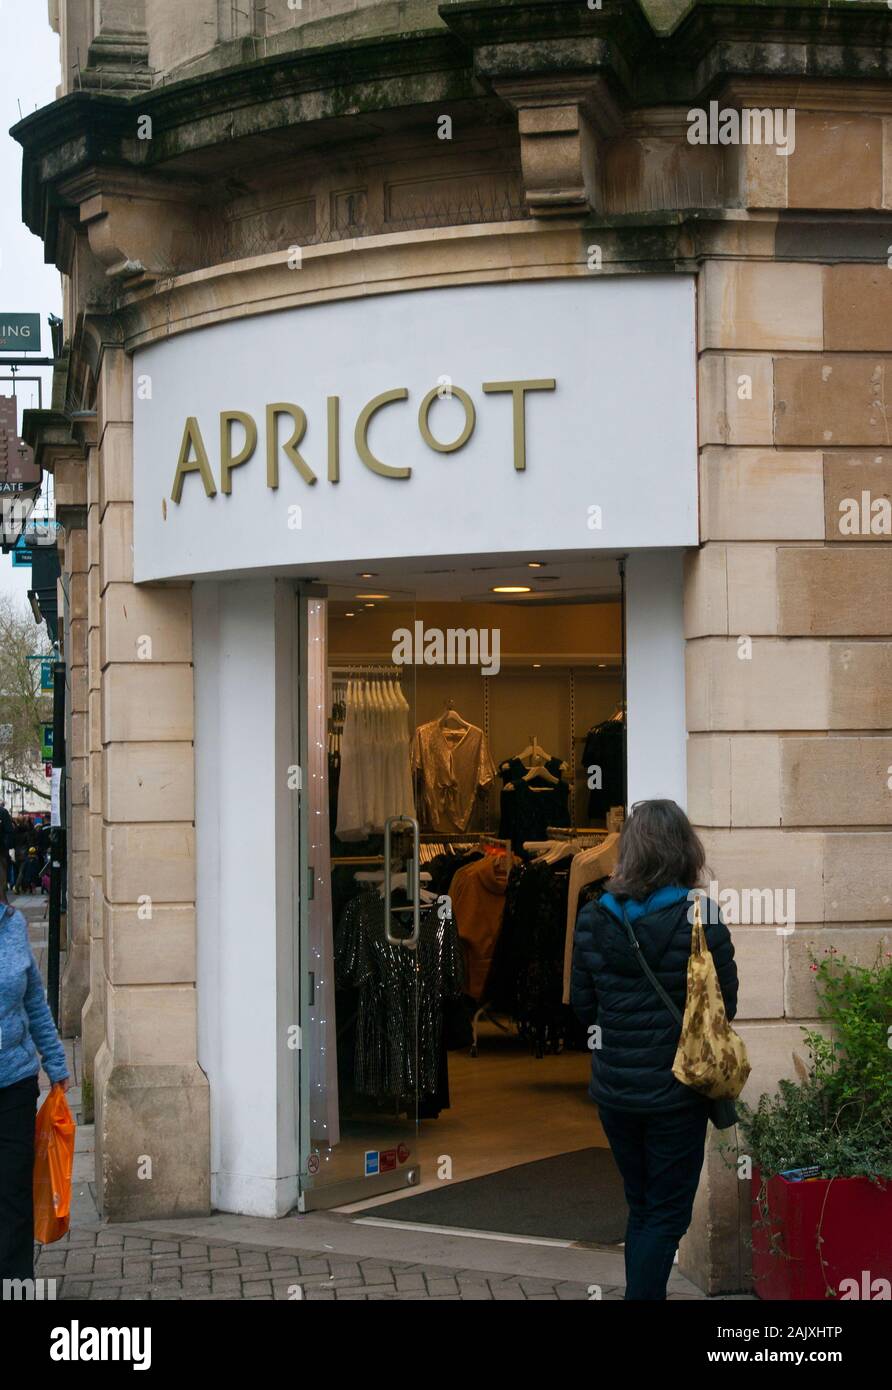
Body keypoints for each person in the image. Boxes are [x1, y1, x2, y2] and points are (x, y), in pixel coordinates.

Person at [571, 799, 738, 1301]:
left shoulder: (594, 915)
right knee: (665, 1215)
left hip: (615, 1091)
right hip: (676, 1092)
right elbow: (724, 1004)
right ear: (684, 849)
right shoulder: (700, 916)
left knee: (643, 1208)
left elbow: (583, 1008)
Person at [0, 876, 69, 1288]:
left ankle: (16, 1286)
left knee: (13, 1190)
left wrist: (56, 1063)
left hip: (16, 1082)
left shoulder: (13, 925)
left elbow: (34, 1001)